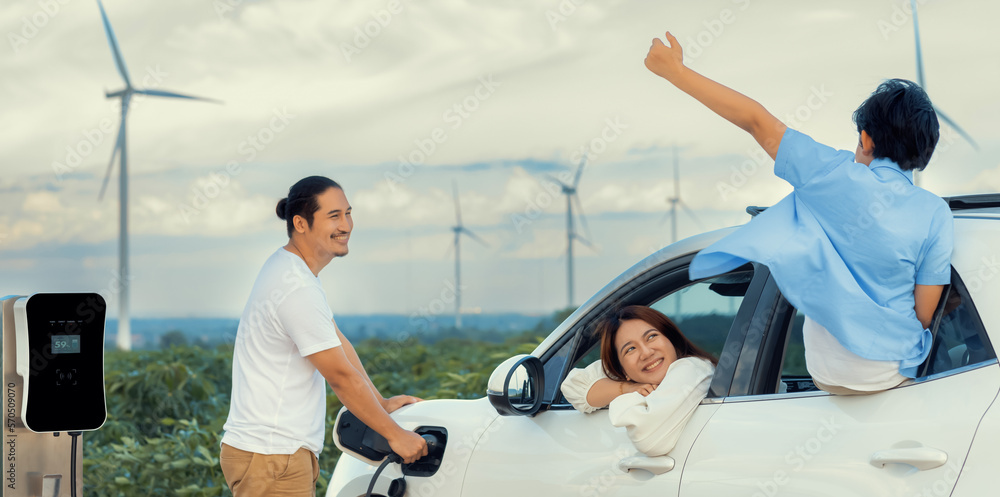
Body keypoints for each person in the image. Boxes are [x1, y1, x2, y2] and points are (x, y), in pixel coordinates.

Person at [643, 32, 953, 395]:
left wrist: (676, 72)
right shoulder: (936, 213)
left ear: (866, 140)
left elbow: (757, 121)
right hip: (891, 374)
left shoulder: (831, 173)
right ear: (925, 150)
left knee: (809, 207)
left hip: (828, 371)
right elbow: (924, 315)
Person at [220, 176, 427, 496]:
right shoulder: (296, 287)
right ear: (301, 223)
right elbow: (341, 376)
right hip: (273, 458)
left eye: (348, 213)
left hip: (274, 455)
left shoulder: (291, 270)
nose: (346, 225)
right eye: (334, 216)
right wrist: (395, 434)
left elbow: (337, 342)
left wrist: (381, 404)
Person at [560, 305, 716, 456]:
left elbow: (648, 439)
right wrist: (628, 387)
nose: (646, 353)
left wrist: (628, 398)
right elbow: (574, 386)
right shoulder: (636, 377)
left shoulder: (692, 368)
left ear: (671, 339)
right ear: (622, 370)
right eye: (630, 349)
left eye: (651, 337)